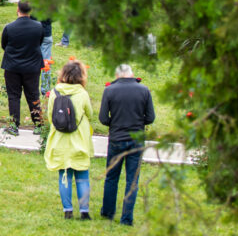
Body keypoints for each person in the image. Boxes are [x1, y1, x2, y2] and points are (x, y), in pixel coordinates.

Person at [99, 64, 156, 226]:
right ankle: (126, 218)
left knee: (111, 177)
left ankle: (108, 212)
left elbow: (103, 118)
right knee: (132, 180)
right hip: (136, 140)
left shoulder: (109, 90)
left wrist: (114, 123)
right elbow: (150, 117)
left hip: (116, 138)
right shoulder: (144, 90)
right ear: (132, 74)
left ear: (117, 75)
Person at [44, 61, 95, 220]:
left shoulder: (55, 92)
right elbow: (90, 114)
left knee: (64, 176)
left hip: (60, 141)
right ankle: (84, 211)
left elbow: (50, 116)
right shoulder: (82, 93)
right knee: (82, 177)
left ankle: (67, 209)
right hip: (79, 140)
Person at [0, 0, 44, 135]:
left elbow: (4, 45)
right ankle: (39, 125)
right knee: (33, 94)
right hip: (32, 66)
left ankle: (14, 125)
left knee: (13, 95)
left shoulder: (9, 27)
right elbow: (40, 42)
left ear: (17, 9)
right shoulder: (38, 27)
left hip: (12, 66)